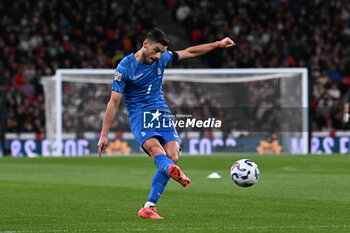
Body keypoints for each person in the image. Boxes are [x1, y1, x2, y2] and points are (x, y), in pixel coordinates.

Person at [97, 28, 235, 219]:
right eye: (156, 50)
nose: (158, 56)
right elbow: (113, 102)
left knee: (173, 156)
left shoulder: (162, 58)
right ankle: (168, 173)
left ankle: (149, 207)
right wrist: (104, 134)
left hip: (161, 112)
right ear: (145, 44)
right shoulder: (125, 67)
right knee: (157, 151)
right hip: (140, 114)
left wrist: (218, 44)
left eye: (161, 52)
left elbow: (190, 52)